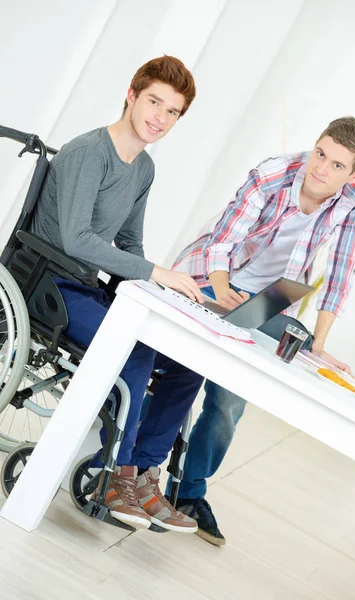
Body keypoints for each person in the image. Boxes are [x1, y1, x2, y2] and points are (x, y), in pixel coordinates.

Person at [167, 116, 355, 545]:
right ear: (314, 144)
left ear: (354, 174)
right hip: (215, 273)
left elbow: (341, 269)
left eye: (337, 165)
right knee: (177, 370)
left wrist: (319, 343)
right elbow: (222, 240)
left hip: (272, 298)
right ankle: (136, 469)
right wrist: (223, 292)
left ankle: (188, 493)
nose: (321, 169)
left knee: (229, 404)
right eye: (320, 154)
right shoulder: (273, 173)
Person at [30, 56, 205, 533]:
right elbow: (76, 240)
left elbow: (128, 244)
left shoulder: (143, 168)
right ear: (131, 95)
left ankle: (144, 476)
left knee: (187, 363)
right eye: (154, 102)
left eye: (172, 112)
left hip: (90, 287)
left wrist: (160, 294)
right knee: (134, 352)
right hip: (52, 284)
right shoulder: (91, 152)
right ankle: (116, 477)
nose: (160, 118)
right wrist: (158, 273)